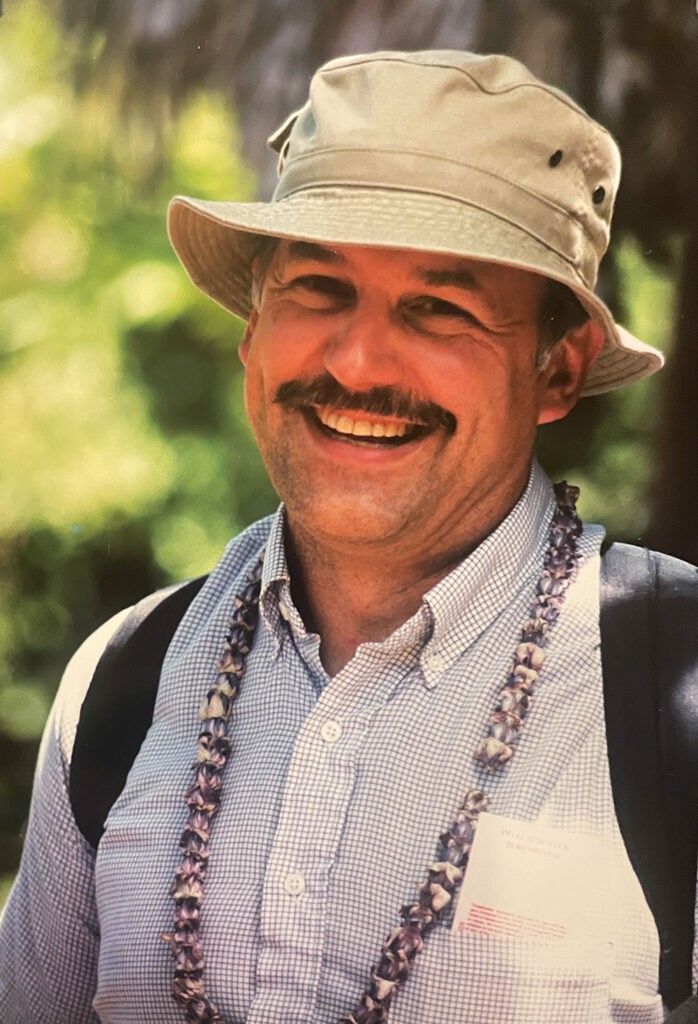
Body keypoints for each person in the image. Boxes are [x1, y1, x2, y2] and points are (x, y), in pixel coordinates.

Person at [0, 49, 692, 1024]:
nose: (357, 359)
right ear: (250, 328)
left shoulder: (673, 695)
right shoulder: (124, 682)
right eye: (317, 287)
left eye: (438, 307)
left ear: (556, 368)